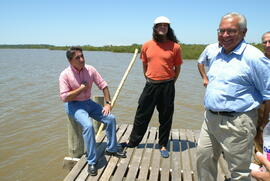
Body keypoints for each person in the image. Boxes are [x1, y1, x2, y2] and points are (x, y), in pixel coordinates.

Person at [196, 12, 270, 181]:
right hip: (210, 118)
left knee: (238, 171)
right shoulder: (215, 52)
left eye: (231, 31)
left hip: (238, 122)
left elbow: (268, 94)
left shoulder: (255, 57)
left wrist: (261, 125)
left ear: (243, 32)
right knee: (204, 159)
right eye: (221, 31)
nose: (225, 35)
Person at [120, 16, 183, 158]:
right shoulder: (147, 45)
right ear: (155, 28)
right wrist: (148, 78)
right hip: (150, 85)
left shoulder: (175, 47)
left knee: (166, 117)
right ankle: (133, 141)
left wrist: (171, 82)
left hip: (167, 86)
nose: (162, 27)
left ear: (168, 28)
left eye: (165, 25)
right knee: (141, 113)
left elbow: (177, 68)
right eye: (159, 25)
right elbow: (144, 64)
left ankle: (163, 145)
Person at [59, 47, 126, 176]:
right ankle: (91, 161)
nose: (82, 59)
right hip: (74, 105)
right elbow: (64, 97)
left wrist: (107, 103)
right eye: (77, 57)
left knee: (110, 118)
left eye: (82, 56)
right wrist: (81, 88)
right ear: (70, 61)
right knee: (88, 126)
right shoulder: (65, 74)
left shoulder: (90, 70)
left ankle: (111, 149)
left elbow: (104, 86)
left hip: (88, 103)